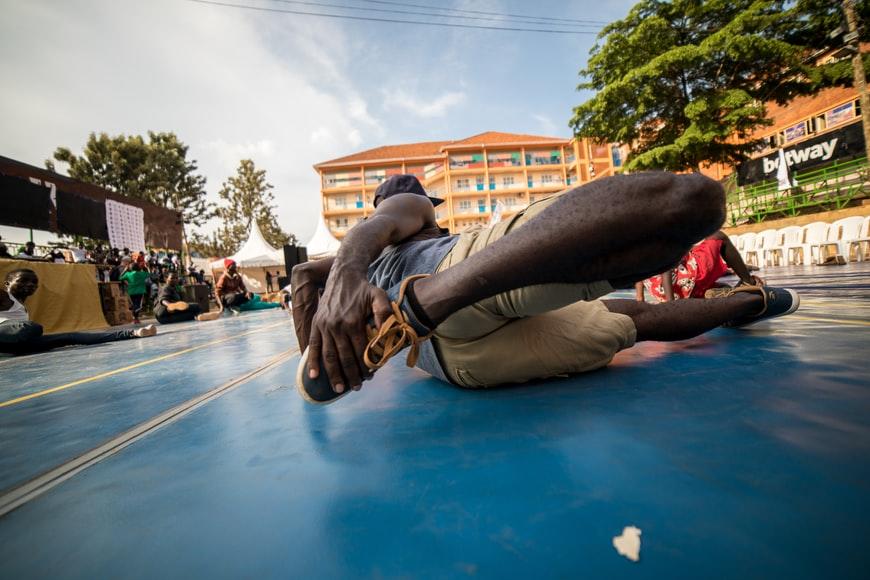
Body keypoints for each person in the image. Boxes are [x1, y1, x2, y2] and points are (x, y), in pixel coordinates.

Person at [292, 173, 800, 404]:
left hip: (453, 367)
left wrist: (319, 351)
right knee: (692, 203)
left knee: (633, 319)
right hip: (447, 281)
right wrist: (349, 272)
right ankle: (426, 305)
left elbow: (301, 276)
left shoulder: (354, 264)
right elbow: (378, 223)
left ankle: (749, 304)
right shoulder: (406, 215)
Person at [0, 269, 157, 355]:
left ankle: (132, 334)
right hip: (9, 332)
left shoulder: (19, 305)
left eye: (34, 282)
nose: (30, 285)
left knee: (70, 336)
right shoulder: (5, 296)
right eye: (23, 281)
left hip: (18, 344)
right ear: (7, 284)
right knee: (33, 328)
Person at [638, 230, 764, 302]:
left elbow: (638, 271)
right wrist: (672, 306)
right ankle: (748, 282)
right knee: (718, 237)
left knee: (724, 287)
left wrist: (640, 297)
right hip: (682, 281)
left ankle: (704, 294)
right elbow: (667, 265)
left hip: (665, 292)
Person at [152, 272, 218, 324]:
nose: (175, 280)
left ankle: (201, 316)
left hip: (169, 316)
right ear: (166, 279)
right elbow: (163, 299)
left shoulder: (174, 289)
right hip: (163, 315)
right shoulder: (165, 288)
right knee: (196, 306)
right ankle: (201, 316)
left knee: (192, 313)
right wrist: (169, 305)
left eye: (176, 278)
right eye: (172, 278)